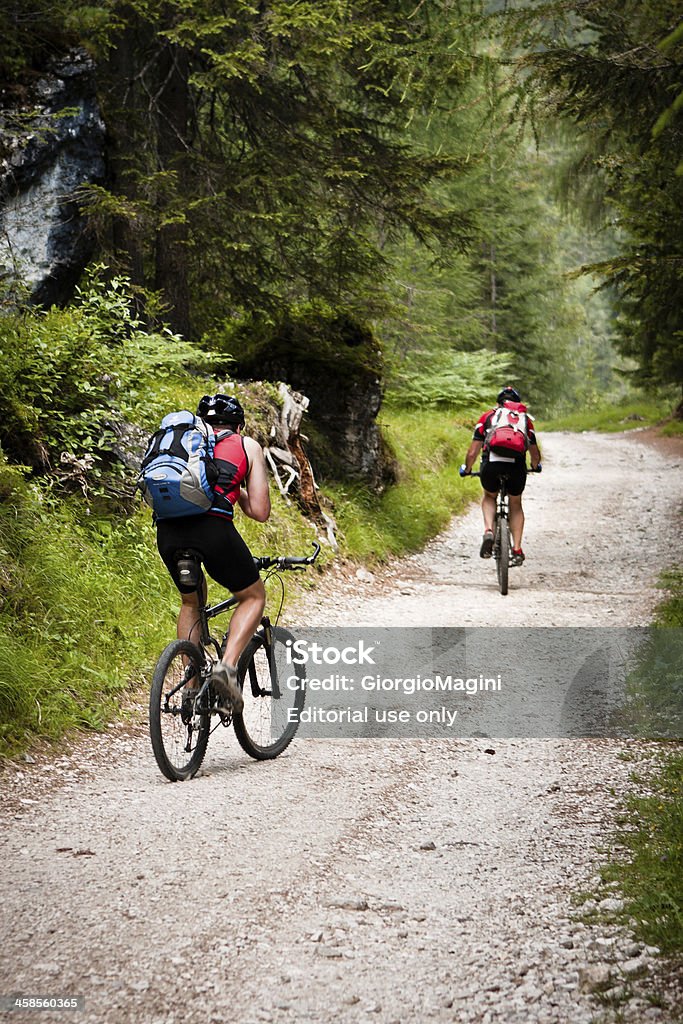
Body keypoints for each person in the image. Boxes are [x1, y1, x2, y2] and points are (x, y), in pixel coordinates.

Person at [155, 394, 271, 714]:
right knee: (253, 596)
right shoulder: (247, 445)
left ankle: (191, 690)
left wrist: (231, 487)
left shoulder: (186, 439)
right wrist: (236, 485)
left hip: (168, 532)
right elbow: (259, 511)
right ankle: (227, 668)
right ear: (239, 424)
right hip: (212, 530)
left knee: (191, 601)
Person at [460, 386, 541, 566]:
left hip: (491, 466)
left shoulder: (488, 417)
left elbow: (473, 451)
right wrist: (535, 466)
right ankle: (517, 549)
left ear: (498, 403)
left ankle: (489, 529)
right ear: (517, 404)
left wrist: (467, 469)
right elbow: (535, 454)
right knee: (515, 503)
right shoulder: (525, 420)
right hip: (516, 468)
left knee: (489, 496)